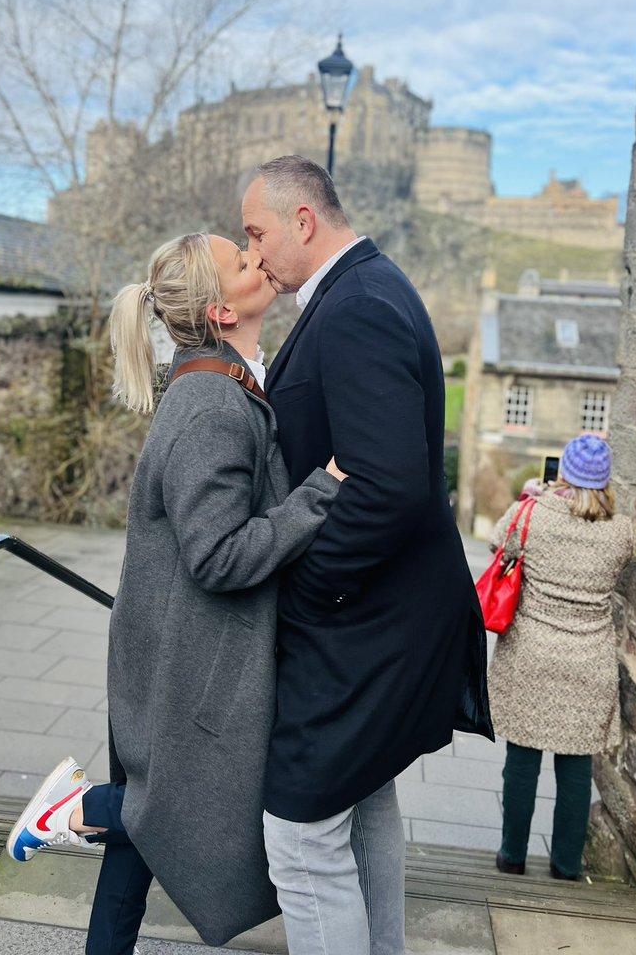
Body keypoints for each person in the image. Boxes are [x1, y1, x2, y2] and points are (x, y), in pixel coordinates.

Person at [5, 232, 344, 954]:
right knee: (173, 810)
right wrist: (322, 494)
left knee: (144, 837)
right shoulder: (212, 406)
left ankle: (91, 830)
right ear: (221, 311)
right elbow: (218, 555)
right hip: (193, 666)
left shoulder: (222, 385)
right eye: (243, 260)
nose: (261, 260)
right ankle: (82, 806)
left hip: (180, 648)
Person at [241, 154, 493, 955]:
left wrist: (311, 591)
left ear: (303, 222)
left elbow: (388, 484)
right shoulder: (367, 288)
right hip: (388, 612)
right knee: (361, 802)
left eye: (257, 234)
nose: (253, 256)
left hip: (368, 620)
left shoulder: (357, 306)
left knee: (300, 831)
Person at [487, 433, 632, 881]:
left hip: (530, 653)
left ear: (563, 472)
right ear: (604, 480)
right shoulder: (622, 531)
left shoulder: (531, 513)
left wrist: (534, 494)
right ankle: (566, 864)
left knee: (523, 760)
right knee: (576, 766)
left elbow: (497, 544)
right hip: (589, 660)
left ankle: (512, 856)